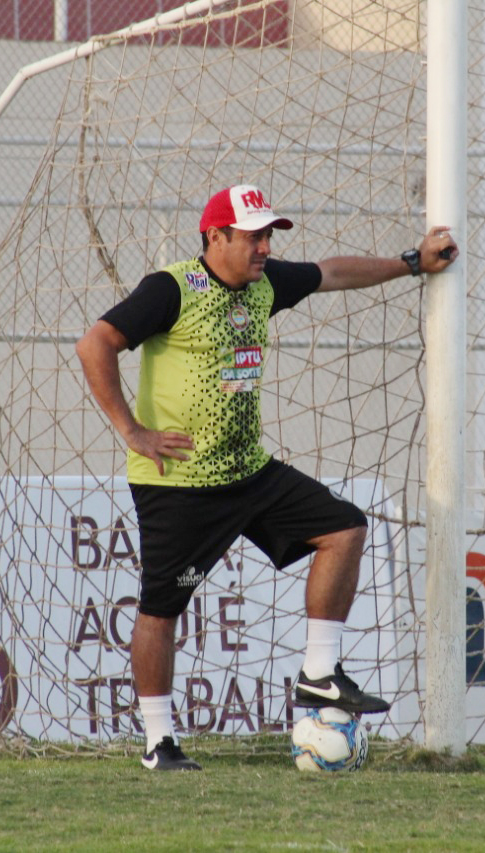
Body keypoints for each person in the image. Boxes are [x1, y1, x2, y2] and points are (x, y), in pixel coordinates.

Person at [75, 184, 459, 770]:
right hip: (180, 484)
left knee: (345, 530)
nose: (263, 247)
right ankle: (159, 745)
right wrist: (133, 432)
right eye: (252, 236)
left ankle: (319, 674)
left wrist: (411, 263)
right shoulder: (171, 289)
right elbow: (95, 343)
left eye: (268, 235)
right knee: (161, 609)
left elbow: (331, 273)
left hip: (250, 473)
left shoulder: (266, 284)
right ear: (215, 237)